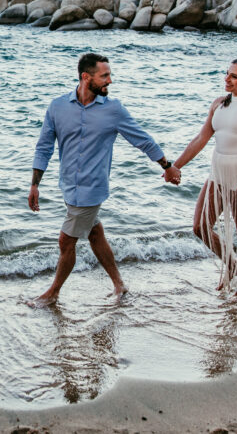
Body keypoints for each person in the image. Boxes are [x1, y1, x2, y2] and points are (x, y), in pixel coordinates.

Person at [28, 52, 175, 307]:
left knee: (66, 241)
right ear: (86, 77)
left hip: (93, 188)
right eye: (104, 76)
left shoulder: (114, 110)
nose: (110, 81)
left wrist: (167, 166)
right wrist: (35, 184)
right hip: (68, 186)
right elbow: (44, 147)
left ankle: (53, 293)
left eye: (109, 75)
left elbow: (142, 139)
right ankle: (119, 284)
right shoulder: (58, 107)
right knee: (94, 233)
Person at [164, 55, 237, 296]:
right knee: (200, 226)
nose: (226, 79)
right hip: (218, 173)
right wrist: (174, 166)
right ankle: (231, 264)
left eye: (233, 76)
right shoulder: (219, 103)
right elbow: (201, 139)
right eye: (227, 73)